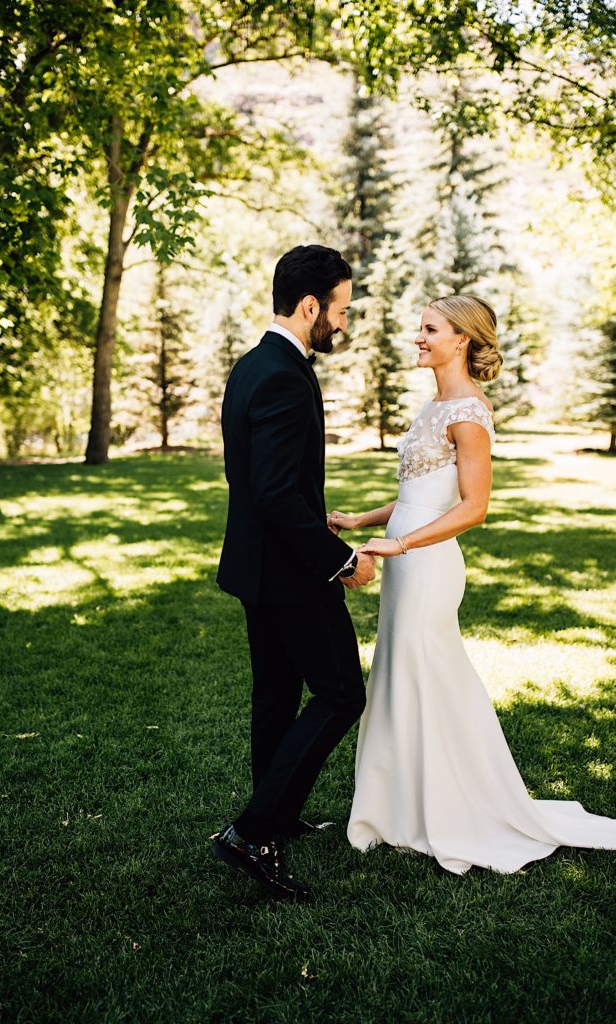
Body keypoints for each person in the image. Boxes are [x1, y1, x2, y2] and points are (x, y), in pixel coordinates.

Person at [330, 294, 616, 874]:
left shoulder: (467, 410)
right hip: (406, 555)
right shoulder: (435, 403)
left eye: (430, 329)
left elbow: (475, 507)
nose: (418, 336)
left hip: (429, 564)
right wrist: (360, 522)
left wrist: (403, 544)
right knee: (400, 673)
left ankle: (456, 806)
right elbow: (417, 495)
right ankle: (398, 804)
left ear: (462, 339)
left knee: (429, 674)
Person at [212, 245, 376, 901]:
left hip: (260, 565)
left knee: (277, 698)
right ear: (310, 306)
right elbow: (276, 492)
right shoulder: (282, 373)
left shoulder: (253, 365)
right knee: (341, 694)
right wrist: (339, 561)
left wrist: (317, 519)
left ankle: (272, 819)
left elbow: (261, 483)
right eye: (338, 309)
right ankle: (252, 832)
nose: (340, 322)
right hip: (287, 573)